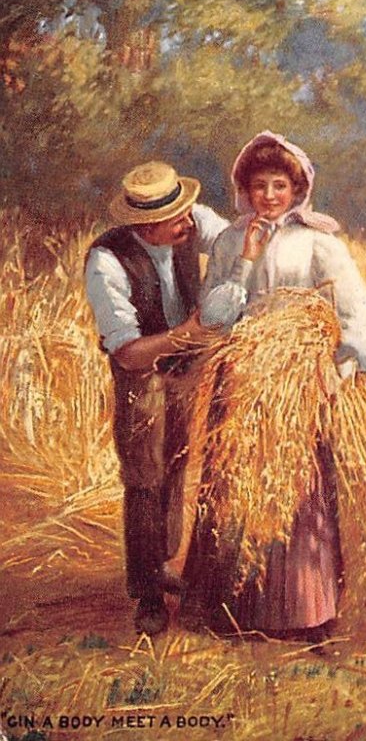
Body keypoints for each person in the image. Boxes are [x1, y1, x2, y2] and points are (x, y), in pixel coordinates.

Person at [181, 131, 366, 644]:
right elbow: (216, 313)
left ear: (297, 189)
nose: (269, 195)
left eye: (278, 185)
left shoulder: (319, 242)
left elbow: (356, 308)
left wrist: (342, 365)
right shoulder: (230, 239)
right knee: (232, 483)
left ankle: (302, 613)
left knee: (297, 487)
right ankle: (231, 610)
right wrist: (246, 258)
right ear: (244, 191)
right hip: (243, 376)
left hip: (296, 381)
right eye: (258, 186)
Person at [85, 160, 228, 635]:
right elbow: (127, 352)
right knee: (144, 477)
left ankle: (163, 562)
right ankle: (147, 592)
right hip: (141, 377)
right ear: (146, 225)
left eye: (188, 213)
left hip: (184, 370)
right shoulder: (106, 260)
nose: (190, 224)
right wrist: (188, 333)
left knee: (176, 464)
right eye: (177, 221)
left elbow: (237, 240)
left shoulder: (190, 222)